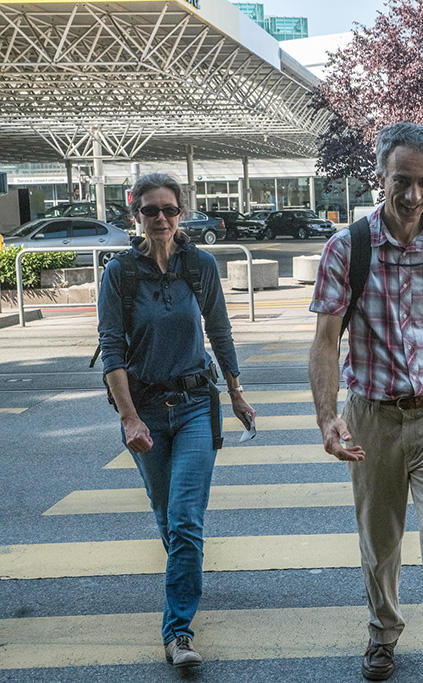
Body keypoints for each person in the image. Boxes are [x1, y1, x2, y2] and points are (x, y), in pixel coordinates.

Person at [308, 122, 423, 683]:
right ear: (381, 177)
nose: (413, 196)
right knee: (381, 546)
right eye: (402, 182)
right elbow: (325, 339)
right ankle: (383, 630)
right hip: (372, 419)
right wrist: (328, 417)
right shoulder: (349, 247)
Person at [97, 173, 254, 668]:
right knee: (169, 519)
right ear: (136, 216)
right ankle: (186, 577)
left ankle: (177, 632)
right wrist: (128, 419)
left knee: (185, 521)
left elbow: (220, 330)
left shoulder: (199, 265)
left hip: (193, 407)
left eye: (168, 209)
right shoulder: (119, 274)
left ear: (180, 213)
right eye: (150, 210)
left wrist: (235, 391)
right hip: (143, 411)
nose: (160, 218)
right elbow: (113, 352)